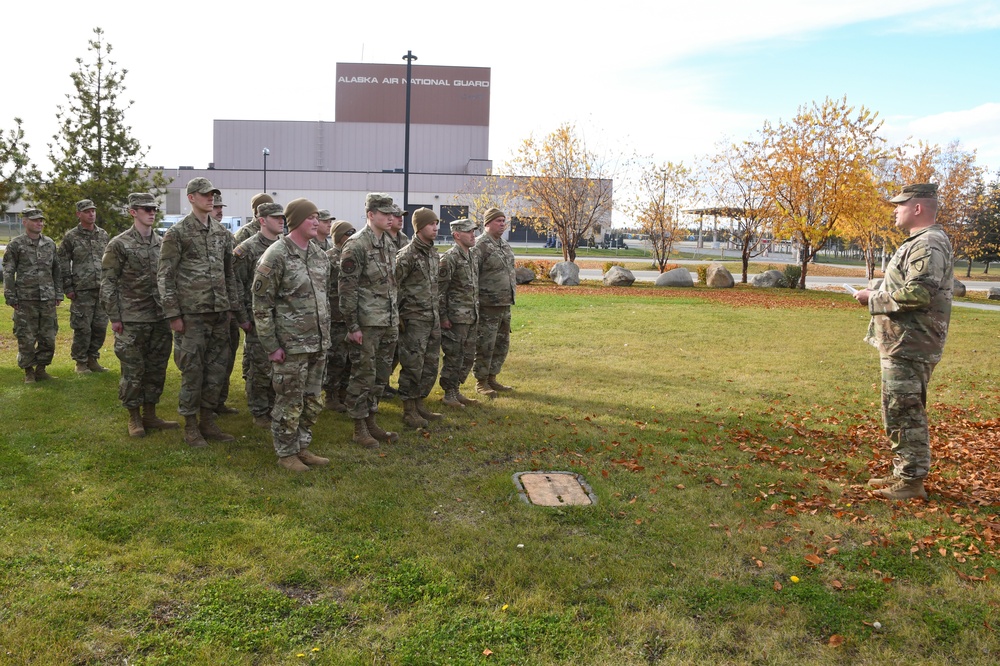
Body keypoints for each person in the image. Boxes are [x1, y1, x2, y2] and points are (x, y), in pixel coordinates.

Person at [853, 183, 954, 501]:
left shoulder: (928, 244)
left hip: (911, 344)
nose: (895, 209)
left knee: (905, 410)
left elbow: (919, 294)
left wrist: (874, 298)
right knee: (897, 408)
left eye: (900, 204)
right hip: (903, 342)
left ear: (918, 208)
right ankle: (904, 472)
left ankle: (911, 482)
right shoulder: (921, 242)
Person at [157, 177, 245, 448]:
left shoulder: (222, 234)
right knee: (193, 371)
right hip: (192, 316)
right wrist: (173, 314)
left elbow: (229, 274)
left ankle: (208, 419)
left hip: (219, 314)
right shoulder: (178, 233)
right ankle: (191, 426)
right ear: (191, 198)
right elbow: (165, 276)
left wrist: (232, 307)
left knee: (217, 370)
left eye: (213, 195)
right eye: (205, 195)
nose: (211, 199)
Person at [252, 198, 332, 472]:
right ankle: (286, 453)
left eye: (318, 217)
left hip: (318, 343)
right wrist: (271, 345)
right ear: (296, 220)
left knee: (312, 400)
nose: (316, 222)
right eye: (311, 217)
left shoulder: (320, 254)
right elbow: (261, 305)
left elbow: (324, 298)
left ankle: (302, 447)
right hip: (290, 345)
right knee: (289, 401)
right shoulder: (276, 255)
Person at [101, 193, 178, 437]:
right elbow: (108, 283)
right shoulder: (119, 244)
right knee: (133, 371)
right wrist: (115, 317)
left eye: (154, 208)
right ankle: (133, 417)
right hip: (132, 319)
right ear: (133, 212)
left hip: (159, 317)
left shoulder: (161, 242)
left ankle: (150, 414)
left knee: (156, 369)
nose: (152, 212)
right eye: (146, 209)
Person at [339, 193, 400, 447]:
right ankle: (358, 426)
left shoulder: (387, 242)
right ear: (370, 214)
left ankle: (371, 420)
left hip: (387, 320)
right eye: (384, 213)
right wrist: (352, 326)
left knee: (381, 376)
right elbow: (347, 289)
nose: (390, 217)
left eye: (391, 213)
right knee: (363, 376)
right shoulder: (355, 245)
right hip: (366, 323)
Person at [233, 202, 285, 428]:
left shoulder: (284, 246)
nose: (281, 220)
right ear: (262, 220)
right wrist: (243, 317)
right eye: (275, 217)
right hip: (256, 317)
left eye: (282, 217)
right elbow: (235, 284)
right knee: (259, 368)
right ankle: (259, 411)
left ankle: (275, 407)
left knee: (278, 367)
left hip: (281, 318)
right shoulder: (247, 249)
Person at [395, 208, 443, 428]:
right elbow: (392, 287)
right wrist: (398, 316)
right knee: (413, 364)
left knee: (430, 364)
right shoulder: (406, 255)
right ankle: (408, 410)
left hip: (431, 318)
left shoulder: (433, 254)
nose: (435, 228)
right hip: (413, 319)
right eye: (431, 224)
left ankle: (419, 402)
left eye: (436, 224)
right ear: (419, 227)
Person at [3, 208, 62, 383]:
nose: (40, 223)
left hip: (47, 299)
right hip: (25, 299)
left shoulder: (50, 243)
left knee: (48, 337)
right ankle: (28, 371)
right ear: (25, 222)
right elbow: (8, 272)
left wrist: (58, 292)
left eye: (41, 220)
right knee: (26, 337)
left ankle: (41, 369)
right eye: (36, 220)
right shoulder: (16, 245)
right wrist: (10, 296)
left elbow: (56, 270)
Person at [58, 199, 110, 374]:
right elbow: (63, 262)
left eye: (93, 210)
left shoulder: (103, 235)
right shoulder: (71, 237)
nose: (91, 214)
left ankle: (92, 359)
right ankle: (80, 362)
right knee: (82, 327)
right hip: (82, 290)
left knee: (100, 327)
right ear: (79, 214)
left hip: (102, 289)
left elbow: (110, 261)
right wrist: (68, 287)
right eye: (87, 211)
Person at [473, 207, 516, 398]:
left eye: (503, 220)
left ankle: (492, 377)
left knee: (501, 343)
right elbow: (472, 276)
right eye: (498, 220)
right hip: (487, 305)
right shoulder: (479, 246)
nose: (502, 224)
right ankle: (481, 382)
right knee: (485, 344)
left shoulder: (504, 245)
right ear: (487, 223)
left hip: (504, 304)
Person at [437, 218, 480, 408]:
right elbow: (440, 291)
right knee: (454, 355)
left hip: (471, 316)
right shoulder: (449, 259)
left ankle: (456, 390)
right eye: (468, 231)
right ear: (457, 235)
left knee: (467, 355)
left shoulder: (472, 256)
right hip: (455, 318)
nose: (473, 235)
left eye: (473, 231)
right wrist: (443, 317)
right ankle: (449, 393)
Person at [323, 220, 356, 412]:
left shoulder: (352, 255)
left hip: (349, 317)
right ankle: (331, 396)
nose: (351, 236)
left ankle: (344, 392)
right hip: (334, 318)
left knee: (350, 359)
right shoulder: (327, 258)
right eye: (347, 233)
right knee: (336, 359)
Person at [212, 192, 241, 415]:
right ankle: (205, 406)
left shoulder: (227, 237)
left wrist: (234, 307)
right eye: (216, 207)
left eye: (221, 207)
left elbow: (231, 275)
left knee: (227, 357)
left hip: (225, 309)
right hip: (201, 310)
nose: (219, 210)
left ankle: (219, 401)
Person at [382, 204, 410, 398]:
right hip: (383, 302)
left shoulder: (404, 240)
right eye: (396, 216)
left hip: (401, 301)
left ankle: (384, 382)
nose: (400, 219)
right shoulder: (382, 239)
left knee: (398, 347)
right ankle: (380, 384)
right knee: (382, 349)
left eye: (402, 216)